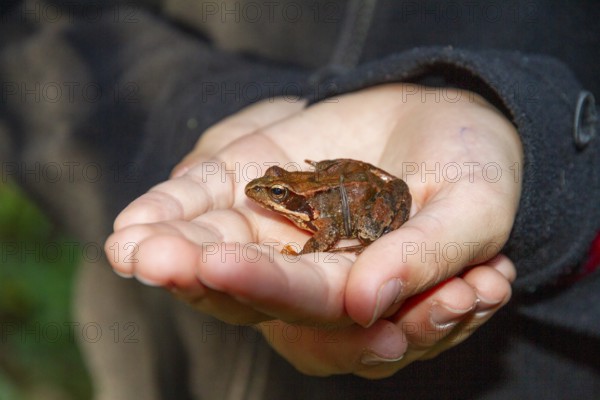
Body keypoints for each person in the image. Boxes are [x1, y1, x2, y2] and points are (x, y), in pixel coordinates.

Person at [1, 0, 598, 399]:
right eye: (275, 190)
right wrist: (201, 113)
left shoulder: (316, 210)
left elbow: (336, 220)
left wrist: (545, 164)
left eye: (278, 193)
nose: (268, 199)